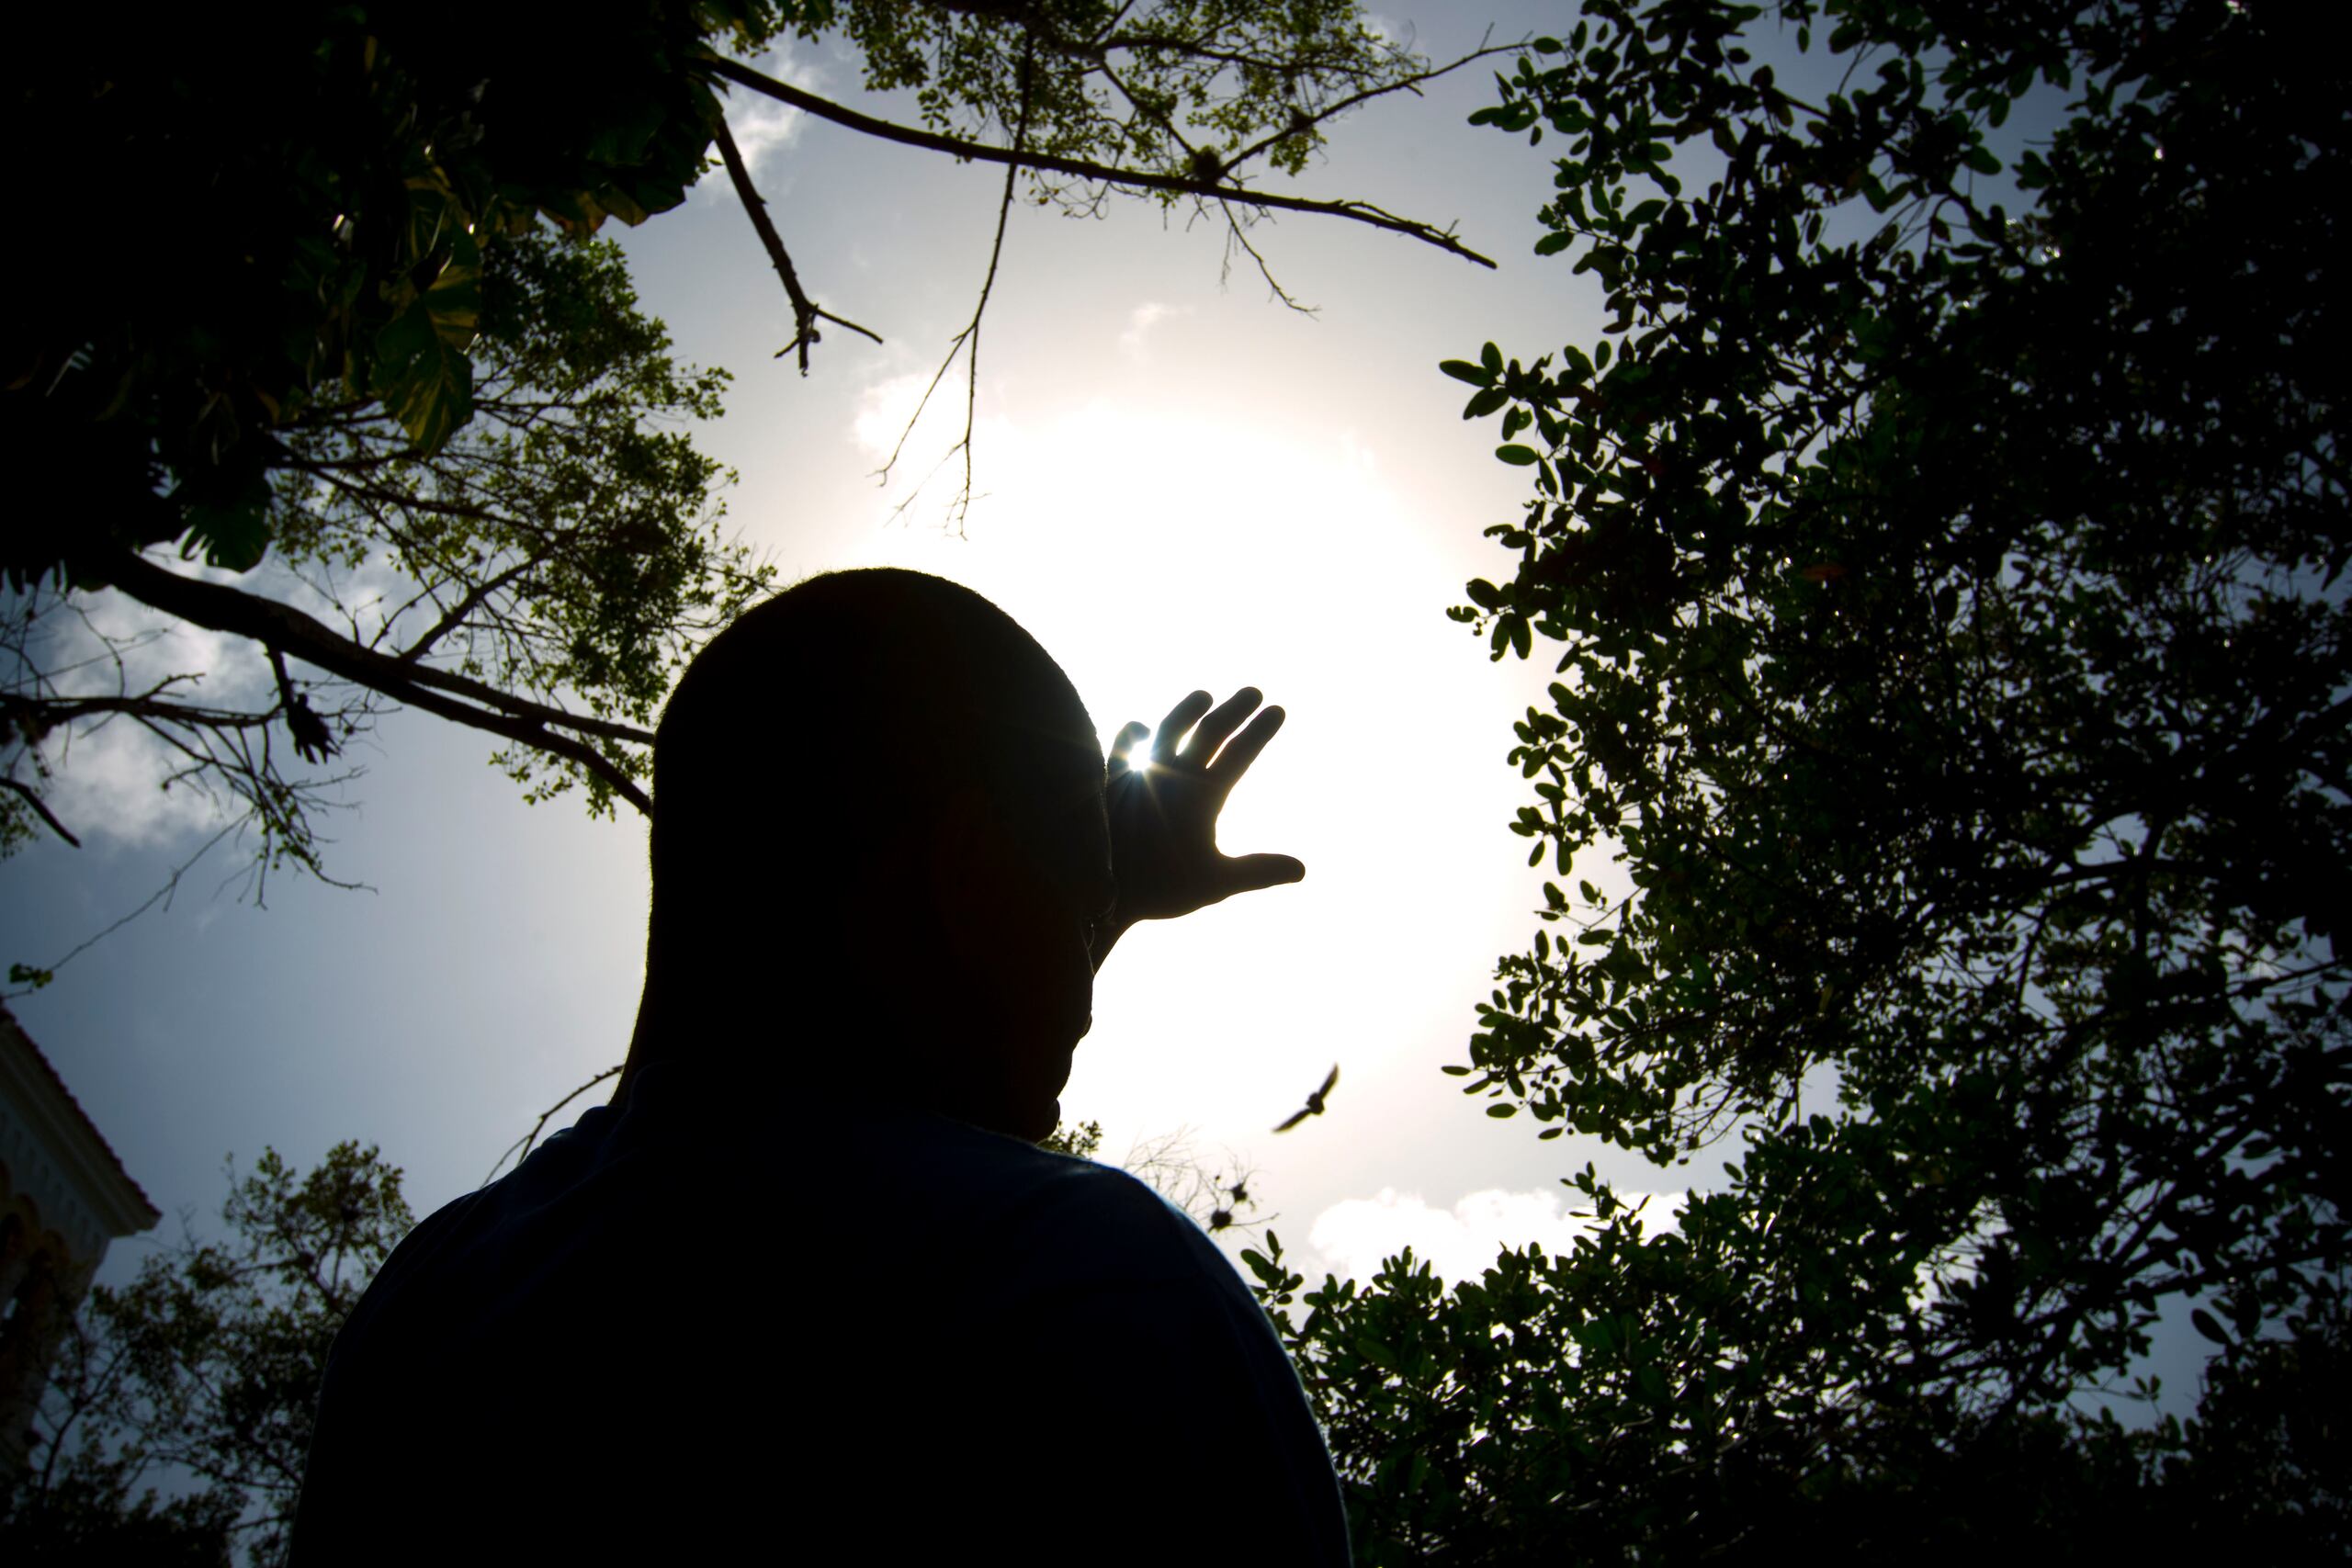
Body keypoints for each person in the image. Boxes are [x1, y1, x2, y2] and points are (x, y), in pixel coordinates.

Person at [288, 569, 1348, 1563]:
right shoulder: (1083, 1269)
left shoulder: (424, 1306)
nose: (1084, 990)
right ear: (968, 870)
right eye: (1080, 916)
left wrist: (1076, 892)